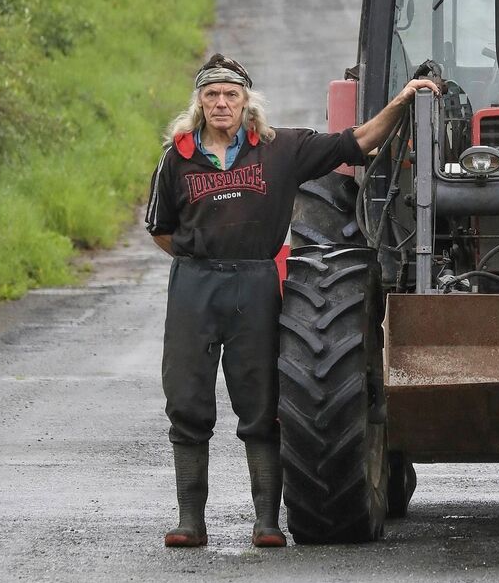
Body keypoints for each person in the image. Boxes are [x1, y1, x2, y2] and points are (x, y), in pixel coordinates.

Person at [145, 52, 439, 549]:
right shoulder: (177, 157)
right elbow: (161, 229)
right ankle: (190, 522)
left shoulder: (282, 149)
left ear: (246, 102)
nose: (221, 103)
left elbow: (359, 141)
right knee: (188, 404)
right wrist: (205, 259)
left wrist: (403, 98)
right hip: (194, 287)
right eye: (212, 95)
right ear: (199, 103)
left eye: (230, 95)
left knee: (261, 407)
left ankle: (266, 524)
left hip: (256, 285)